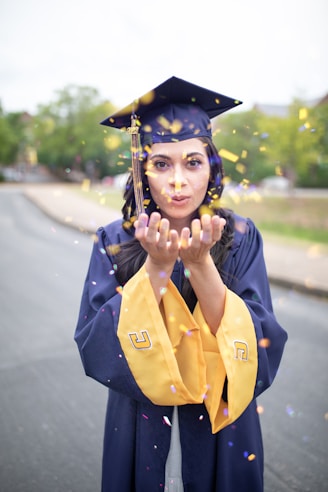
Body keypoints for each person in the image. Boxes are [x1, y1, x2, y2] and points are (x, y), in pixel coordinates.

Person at [74, 76, 287, 492]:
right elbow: (96, 343)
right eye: (161, 164)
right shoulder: (114, 241)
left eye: (193, 162)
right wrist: (156, 266)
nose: (177, 181)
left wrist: (200, 264)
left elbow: (260, 344)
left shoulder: (240, 236)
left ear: (212, 168)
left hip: (221, 422)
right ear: (142, 171)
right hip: (140, 418)